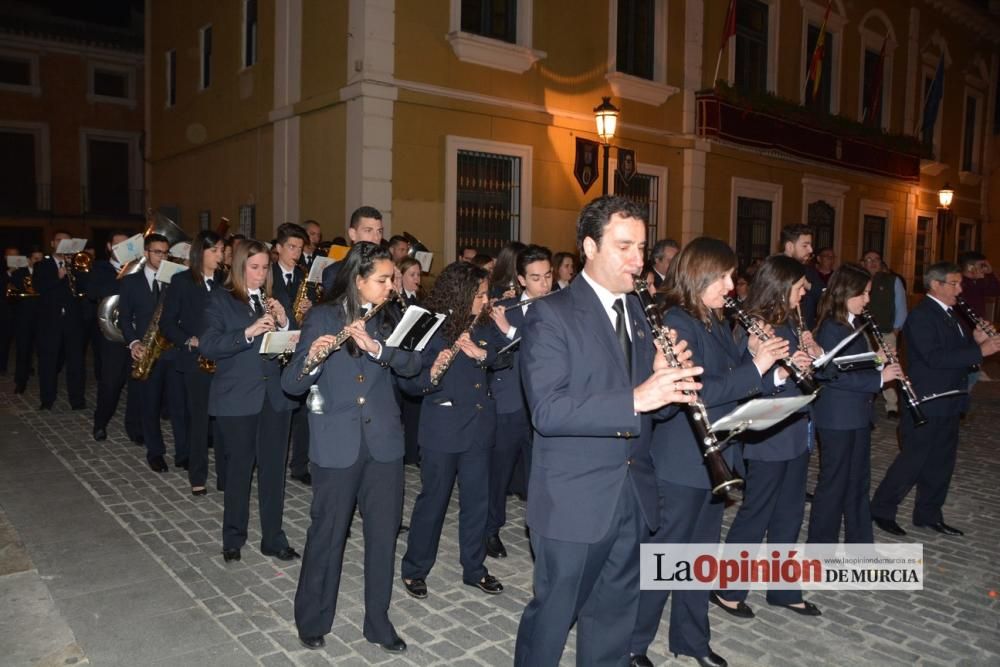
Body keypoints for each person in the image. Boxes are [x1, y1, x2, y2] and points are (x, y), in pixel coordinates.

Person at [514, 196, 703, 667]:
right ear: (589, 247)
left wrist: (666, 386)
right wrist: (638, 396)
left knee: (614, 623)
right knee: (552, 620)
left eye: (642, 247)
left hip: (632, 495)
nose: (639, 261)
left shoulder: (642, 314)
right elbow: (549, 411)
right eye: (625, 247)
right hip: (573, 502)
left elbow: (648, 415)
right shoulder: (550, 314)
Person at [629, 237, 787, 667]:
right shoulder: (677, 320)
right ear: (700, 276)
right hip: (681, 460)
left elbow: (733, 377)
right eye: (724, 277)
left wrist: (759, 362)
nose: (732, 286)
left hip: (717, 456)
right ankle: (634, 645)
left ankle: (691, 641)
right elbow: (699, 388)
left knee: (698, 558)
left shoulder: (716, 318)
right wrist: (754, 369)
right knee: (666, 559)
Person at [283, 242, 421, 653]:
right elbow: (291, 384)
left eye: (392, 278)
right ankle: (313, 617)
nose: (390, 286)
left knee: (382, 537)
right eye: (382, 280)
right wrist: (314, 359)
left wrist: (379, 350)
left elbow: (415, 369)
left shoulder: (394, 317)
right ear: (358, 280)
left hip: (384, 445)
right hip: (337, 442)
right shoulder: (324, 316)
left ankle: (377, 622)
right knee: (327, 534)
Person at [712, 255, 822, 619]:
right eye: (799, 286)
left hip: (796, 429)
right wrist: (783, 373)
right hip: (768, 434)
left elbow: (793, 371)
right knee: (756, 514)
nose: (805, 292)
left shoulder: (789, 320)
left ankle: (783, 589)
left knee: (790, 514)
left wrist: (810, 359)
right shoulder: (753, 326)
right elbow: (747, 384)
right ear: (780, 286)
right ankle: (727, 589)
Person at [399, 261, 511, 600]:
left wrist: (482, 354)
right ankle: (415, 568)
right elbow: (408, 379)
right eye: (479, 294)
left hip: (479, 425)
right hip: (443, 427)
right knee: (433, 500)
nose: (485, 299)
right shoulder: (429, 325)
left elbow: (503, 358)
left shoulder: (484, 323)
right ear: (462, 294)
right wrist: (432, 375)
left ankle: (474, 568)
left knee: (477, 501)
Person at [871, 262, 1000, 537]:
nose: (960, 289)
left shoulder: (952, 315)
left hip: (950, 399)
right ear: (936, 285)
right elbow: (935, 358)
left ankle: (929, 514)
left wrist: (976, 341)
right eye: (954, 283)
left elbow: (956, 354)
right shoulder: (921, 316)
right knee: (913, 461)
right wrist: (980, 352)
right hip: (927, 399)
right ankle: (881, 509)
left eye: (959, 283)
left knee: (942, 462)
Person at [199, 239, 300, 563]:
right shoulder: (221, 299)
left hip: (274, 397)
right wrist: (248, 332)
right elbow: (210, 345)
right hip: (238, 398)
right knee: (239, 471)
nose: (260, 274)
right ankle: (233, 537)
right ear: (239, 268)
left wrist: (285, 322)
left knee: (273, 472)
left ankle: (273, 537)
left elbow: (292, 343)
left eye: (264, 268)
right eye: (253, 268)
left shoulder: (274, 299)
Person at [806, 264, 902, 545]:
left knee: (858, 482)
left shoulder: (853, 324)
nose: (867, 299)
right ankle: (820, 548)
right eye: (864, 293)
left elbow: (853, 364)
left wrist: (878, 360)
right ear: (846, 292)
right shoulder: (830, 328)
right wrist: (880, 379)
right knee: (834, 484)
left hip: (857, 414)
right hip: (837, 417)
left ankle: (860, 544)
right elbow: (832, 376)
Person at [485, 244, 552, 559]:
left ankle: (543, 533)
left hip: (546, 407)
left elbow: (543, 354)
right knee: (498, 474)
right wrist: (506, 330)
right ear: (522, 280)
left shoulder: (560, 309)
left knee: (542, 476)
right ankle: (490, 529)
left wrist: (510, 332)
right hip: (508, 403)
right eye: (536, 278)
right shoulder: (504, 308)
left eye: (548, 276)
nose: (545, 284)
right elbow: (493, 355)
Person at [161, 230, 225, 495]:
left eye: (222, 250)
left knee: (223, 420)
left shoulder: (226, 280)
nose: (220, 255)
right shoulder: (182, 281)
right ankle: (197, 476)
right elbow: (167, 324)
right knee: (199, 421)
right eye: (215, 251)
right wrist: (190, 340)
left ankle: (225, 476)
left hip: (224, 359)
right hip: (195, 359)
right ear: (201, 253)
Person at [119, 233, 184, 472]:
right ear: (146, 253)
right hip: (147, 350)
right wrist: (134, 342)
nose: (162, 256)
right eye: (158, 252)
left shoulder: (176, 279)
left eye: (166, 252)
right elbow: (124, 318)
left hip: (172, 350)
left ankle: (183, 452)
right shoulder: (129, 282)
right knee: (150, 405)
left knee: (178, 405)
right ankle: (155, 452)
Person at [269, 223, 313, 486]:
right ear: (278, 248)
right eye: (291, 247)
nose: (296, 253)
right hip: (275, 349)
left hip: (299, 347)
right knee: (278, 411)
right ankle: (274, 462)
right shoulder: (268, 275)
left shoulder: (302, 276)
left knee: (303, 412)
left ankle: (299, 464)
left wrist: (309, 307)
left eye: (300, 248)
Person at [89, 231, 142, 444]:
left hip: (136, 334)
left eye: (127, 244)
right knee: (110, 384)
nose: (123, 248)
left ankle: (134, 428)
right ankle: (100, 423)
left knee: (137, 383)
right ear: (110, 247)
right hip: (112, 336)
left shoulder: (139, 270)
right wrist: (124, 276)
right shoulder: (100, 268)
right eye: (118, 245)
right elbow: (94, 291)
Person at [33, 230, 87, 410]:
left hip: (73, 320)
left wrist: (76, 270)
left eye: (67, 242)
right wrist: (58, 277)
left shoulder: (77, 264)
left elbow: (85, 289)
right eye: (59, 241)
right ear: (53, 243)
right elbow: (38, 287)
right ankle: (47, 400)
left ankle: (77, 400)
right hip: (50, 321)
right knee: (48, 362)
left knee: (76, 362)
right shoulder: (43, 265)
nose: (63, 244)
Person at [861, 250, 907, 418]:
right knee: (866, 368)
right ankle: (867, 404)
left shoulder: (892, 281)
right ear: (863, 263)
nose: (872, 262)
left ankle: (892, 405)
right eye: (868, 259)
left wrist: (896, 329)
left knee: (889, 367)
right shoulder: (859, 281)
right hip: (863, 333)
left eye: (876, 259)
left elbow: (901, 306)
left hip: (885, 333)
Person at [321, 206, 385, 294]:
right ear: (352, 234)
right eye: (368, 230)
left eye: (379, 231)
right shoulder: (335, 273)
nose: (376, 238)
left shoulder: (385, 269)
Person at [10, 249, 43, 395]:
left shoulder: (45, 273)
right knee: (23, 351)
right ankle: (20, 382)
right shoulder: (19, 273)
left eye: (40, 259)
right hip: (24, 317)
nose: (38, 262)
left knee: (43, 351)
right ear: (29, 260)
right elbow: (13, 292)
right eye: (36, 259)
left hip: (42, 317)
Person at [780, 224, 824, 330]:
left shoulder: (809, 271)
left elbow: (826, 296)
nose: (811, 250)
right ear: (790, 247)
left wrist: (807, 285)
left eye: (810, 245)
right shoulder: (774, 271)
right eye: (805, 245)